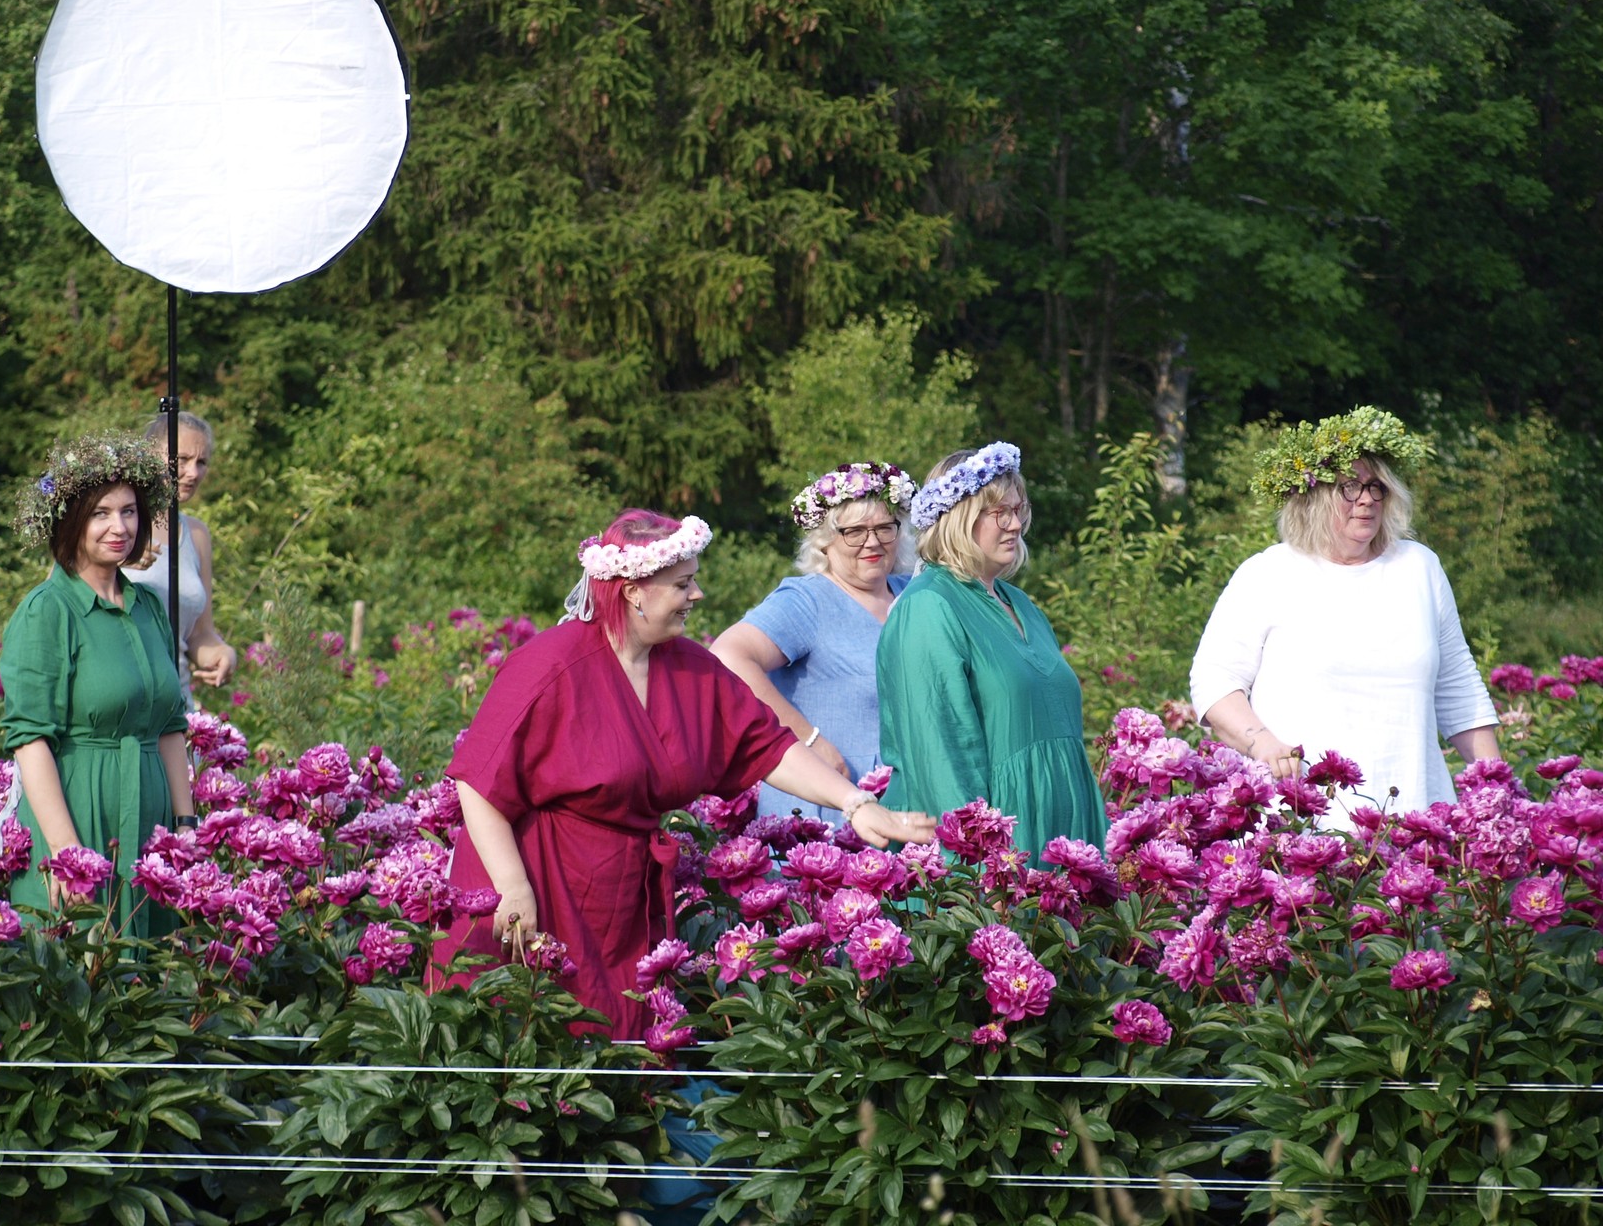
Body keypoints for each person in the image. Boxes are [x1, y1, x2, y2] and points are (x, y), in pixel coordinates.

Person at [434, 509, 937, 1037]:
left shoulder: (691, 667)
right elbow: (479, 780)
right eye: (683, 584)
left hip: (623, 896)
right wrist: (512, 888)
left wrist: (855, 804)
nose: (696, 595)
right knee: (528, 1045)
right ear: (633, 592)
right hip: (539, 881)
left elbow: (764, 746)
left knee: (622, 1048)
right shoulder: (550, 663)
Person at [1188, 406, 1502, 824]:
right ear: (1313, 496)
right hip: (1301, 827)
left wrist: (1498, 793)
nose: (1368, 499)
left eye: (1377, 487)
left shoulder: (1419, 567)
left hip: (1416, 820)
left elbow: (1459, 689)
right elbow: (1214, 683)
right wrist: (1264, 745)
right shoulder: (1269, 572)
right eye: (1351, 487)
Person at [0, 433, 195, 934]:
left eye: (129, 511)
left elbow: (170, 724)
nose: (119, 526)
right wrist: (66, 852)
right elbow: (30, 737)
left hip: (151, 824)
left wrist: (186, 829)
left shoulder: (148, 608)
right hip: (79, 815)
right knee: (82, 971)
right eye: (101, 513)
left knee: (154, 981)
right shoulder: (48, 611)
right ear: (71, 520)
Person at [876, 443, 1107, 858]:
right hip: (999, 856)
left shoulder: (1022, 605)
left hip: (1062, 833)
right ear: (958, 519)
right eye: (1000, 512)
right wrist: (981, 874)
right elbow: (941, 759)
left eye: (1019, 510)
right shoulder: (929, 606)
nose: (1015, 525)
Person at [710, 462, 918, 823]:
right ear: (825, 541)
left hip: (903, 808)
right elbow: (727, 657)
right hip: (826, 817)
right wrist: (807, 740)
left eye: (885, 528)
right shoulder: (807, 600)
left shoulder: (913, 595)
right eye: (853, 531)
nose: (872, 542)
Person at [125, 411, 235, 698]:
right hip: (119, 701)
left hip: (175, 702)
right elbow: (59, 596)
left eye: (202, 462)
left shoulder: (197, 535)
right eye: (181, 460)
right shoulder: (114, 524)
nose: (193, 473)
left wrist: (222, 653)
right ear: (149, 456)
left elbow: (199, 633)